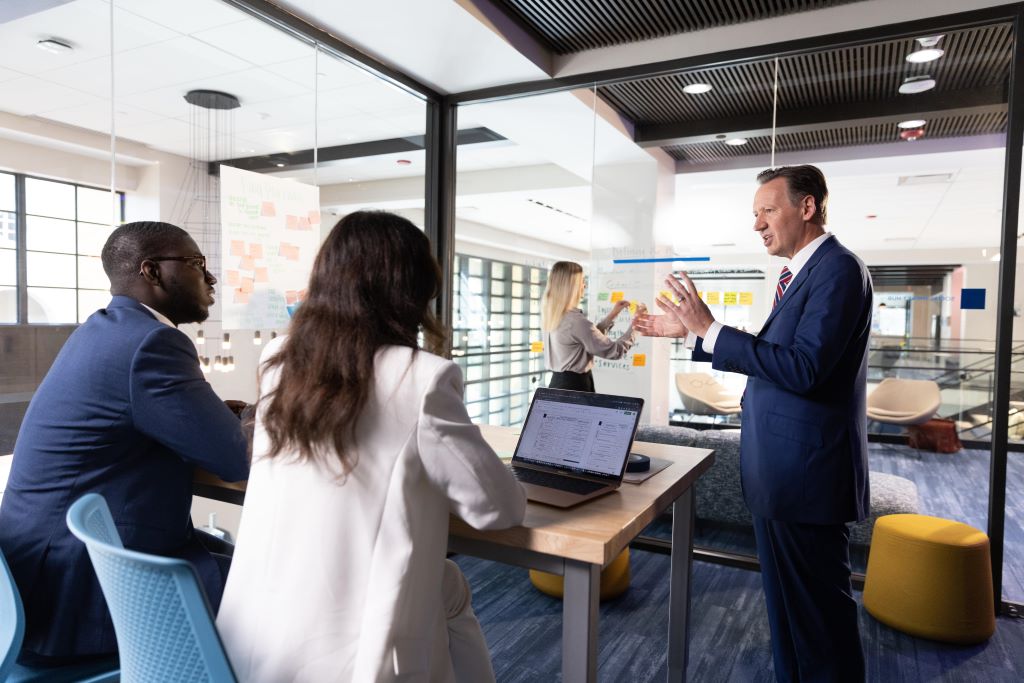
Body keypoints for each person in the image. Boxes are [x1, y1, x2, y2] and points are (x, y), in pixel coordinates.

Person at [216, 210, 526, 683]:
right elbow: (496, 510)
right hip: (353, 658)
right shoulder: (421, 377)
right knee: (448, 588)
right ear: (415, 288)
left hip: (250, 637)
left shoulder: (279, 358)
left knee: (448, 586)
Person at [635, 165, 871, 682]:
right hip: (781, 476)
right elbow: (775, 357)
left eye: (767, 210)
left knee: (820, 624)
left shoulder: (838, 269)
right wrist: (696, 333)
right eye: (755, 214)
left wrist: (710, 327)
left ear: (806, 207)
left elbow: (805, 368)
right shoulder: (803, 275)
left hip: (805, 478)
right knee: (790, 617)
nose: (758, 225)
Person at [0, 221, 250, 666]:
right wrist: (266, 415)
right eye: (197, 264)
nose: (210, 279)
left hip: (37, 575)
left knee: (246, 560)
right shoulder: (153, 341)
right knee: (277, 590)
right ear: (151, 271)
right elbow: (234, 459)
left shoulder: (106, 329)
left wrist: (217, 416)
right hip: (72, 595)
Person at [542, 260, 637, 392]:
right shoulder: (575, 321)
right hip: (575, 387)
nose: (584, 286)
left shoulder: (553, 315)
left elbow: (586, 338)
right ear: (571, 287)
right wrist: (636, 325)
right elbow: (615, 350)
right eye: (582, 281)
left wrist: (613, 315)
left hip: (556, 384)